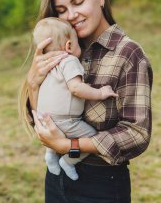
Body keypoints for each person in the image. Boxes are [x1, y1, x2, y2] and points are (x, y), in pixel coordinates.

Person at [18, 0, 153, 203]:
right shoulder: (59, 48)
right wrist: (33, 83)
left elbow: (136, 134)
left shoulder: (127, 54)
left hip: (101, 185)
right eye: (62, 10)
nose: (71, 16)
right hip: (55, 180)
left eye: (78, 2)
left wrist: (70, 146)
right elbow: (41, 116)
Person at [32, 17, 118, 181]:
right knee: (92, 139)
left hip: (45, 119)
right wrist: (100, 93)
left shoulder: (46, 66)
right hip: (66, 120)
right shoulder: (69, 60)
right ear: (69, 46)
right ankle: (68, 160)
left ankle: (50, 154)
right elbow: (76, 88)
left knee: (60, 136)